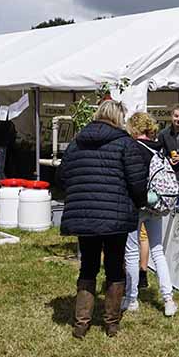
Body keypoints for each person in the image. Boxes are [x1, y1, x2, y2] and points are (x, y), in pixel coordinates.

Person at [58, 100, 147, 338]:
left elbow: (62, 177)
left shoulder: (76, 144)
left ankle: (81, 323)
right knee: (115, 267)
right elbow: (138, 183)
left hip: (84, 214)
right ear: (118, 117)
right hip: (115, 215)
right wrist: (138, 203)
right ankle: (111, 323)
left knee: (88, 266)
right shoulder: (126, 144)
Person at [122, 112, 178, 317]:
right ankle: (168, 299)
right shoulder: (159, 149)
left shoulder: (133, 148)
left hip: (138, 206)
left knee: (132, 252)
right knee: (158, 251)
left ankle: (131, 298)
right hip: (157, 206)